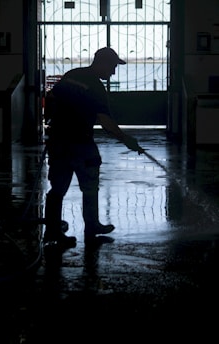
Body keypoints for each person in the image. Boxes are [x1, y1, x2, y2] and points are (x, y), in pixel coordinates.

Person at [43, 47, 144, 249]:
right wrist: (126, 139)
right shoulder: (96, 88)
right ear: (103, 63)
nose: (113, 72)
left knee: (57, 189)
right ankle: (91, 226)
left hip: (58, 141)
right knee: (90, 186)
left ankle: (53, 230)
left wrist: (54, 121)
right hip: (80, 143)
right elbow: (105, 120)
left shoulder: (73, 75)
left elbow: (51, 97)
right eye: (113, 67)